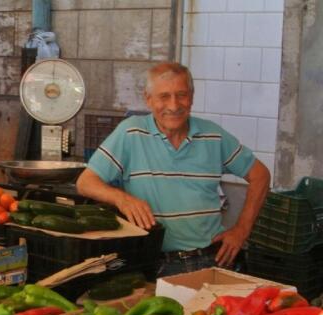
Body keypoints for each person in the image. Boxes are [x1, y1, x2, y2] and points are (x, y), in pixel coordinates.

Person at [76, 62, 271, 277]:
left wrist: (241, 231)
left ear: (192, 97)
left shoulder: (213, 136)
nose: (174, 105)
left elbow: (260, 175)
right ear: (148, 99)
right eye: (164, 97)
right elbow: (86, 182)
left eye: (181, 95)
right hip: (154, 265)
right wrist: (123, 199)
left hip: (212, 259)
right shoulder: (130, 133)